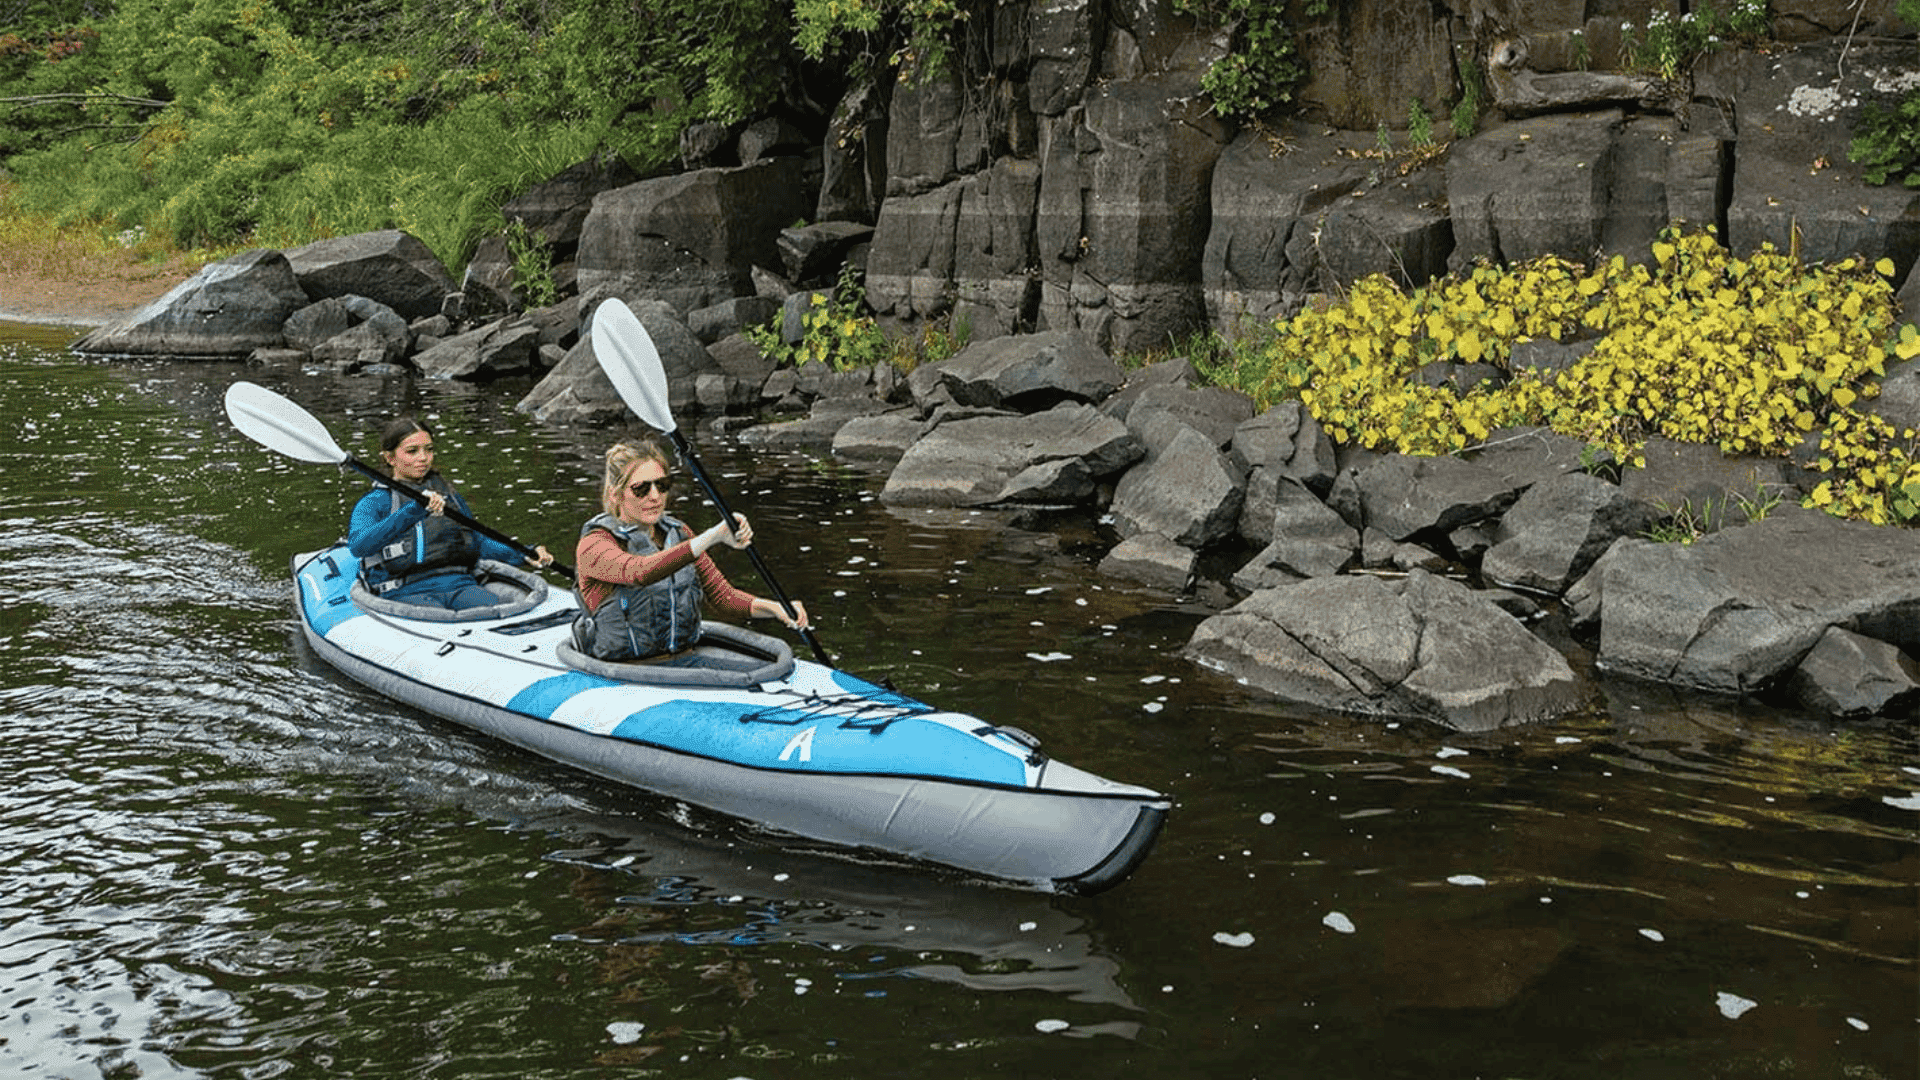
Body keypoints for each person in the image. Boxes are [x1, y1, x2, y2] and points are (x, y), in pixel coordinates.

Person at [573, 440, 809, 663]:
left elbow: (723, 597)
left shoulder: (679, 533)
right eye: (641, 489)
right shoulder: (594, 545)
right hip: (623, 671)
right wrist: (714, 536)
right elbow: (639, 572)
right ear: (616, 494)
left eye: (662, 485)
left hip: (683, 662)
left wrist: (776, 608)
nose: (655, 496)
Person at [347, 415, 554, 610]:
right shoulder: (375, 502)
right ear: (390, 458)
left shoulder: (448, 495)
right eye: (412, 451)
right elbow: (359, 546)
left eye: (428, 450)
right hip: (404, 590)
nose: (424, 458)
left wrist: (524, 554)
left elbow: (475, 540)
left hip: (460, 585)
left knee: (496, 610)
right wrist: (414, 511)